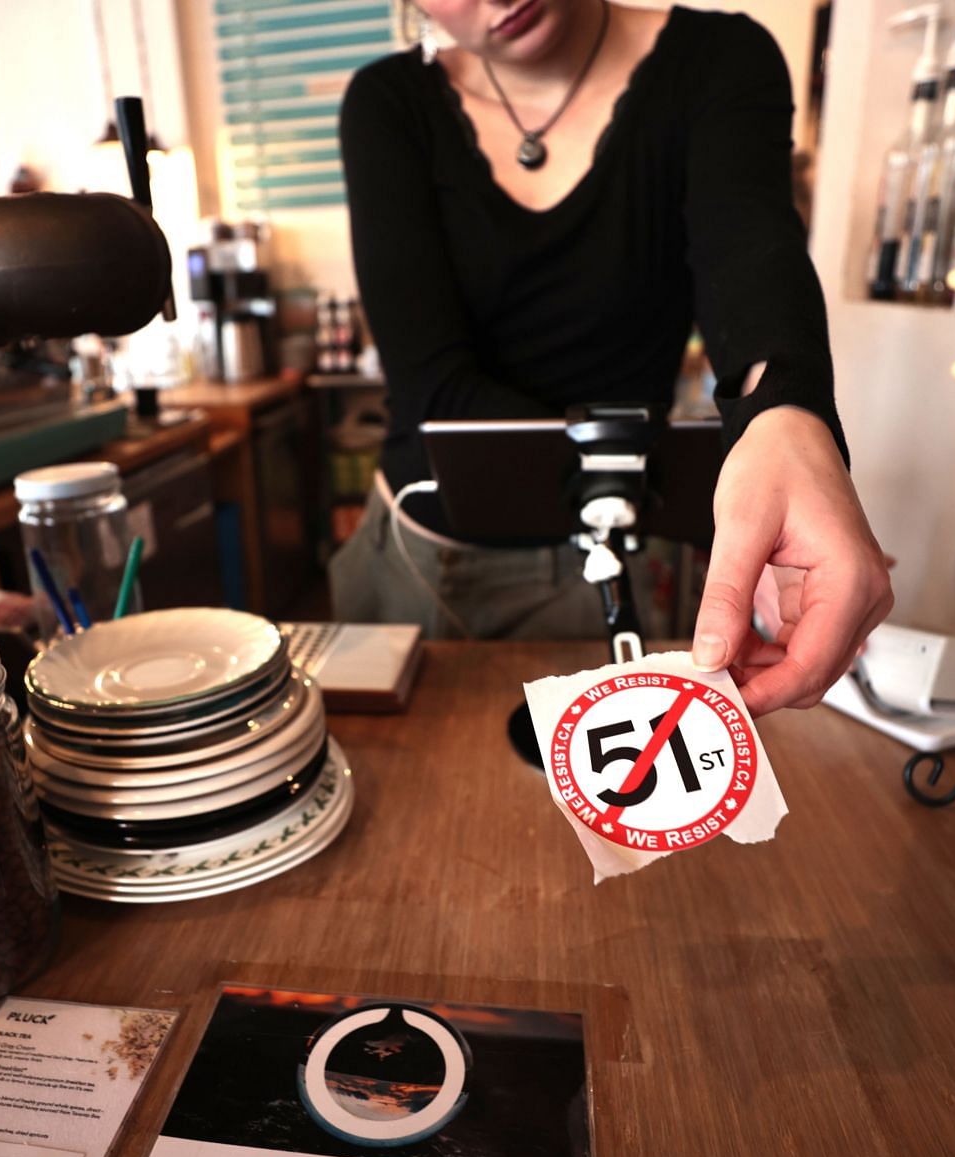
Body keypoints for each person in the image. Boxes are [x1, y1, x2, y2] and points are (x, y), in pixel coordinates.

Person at [332, 0, 892, 716]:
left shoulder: (718, 59)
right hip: (416, 551)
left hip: (613, 548)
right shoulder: (389, 104)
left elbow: (748, 256)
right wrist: (708, 504)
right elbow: (435, 386)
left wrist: (786, 427)